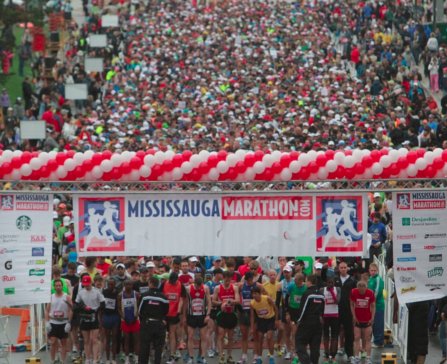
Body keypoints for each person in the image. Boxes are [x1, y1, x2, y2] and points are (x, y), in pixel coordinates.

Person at [138, 276, 170, 364]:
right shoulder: (164, 297)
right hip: (159, 324)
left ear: (150, 283)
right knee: (158, 349)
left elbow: (139, 310)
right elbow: (166, 311)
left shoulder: (144, 296)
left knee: (144, 347)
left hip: (147, 324)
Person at [75, 274, 105, 364]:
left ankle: (95, 359)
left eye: (88, 284)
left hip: (94, 315)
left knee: (94, 339)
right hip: (84, 316)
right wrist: (83, 307)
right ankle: (88, 358)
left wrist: (95, 310)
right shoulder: (81, 292)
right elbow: (76, 304)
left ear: (91, 283)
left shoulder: (97, 291)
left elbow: (103, 304)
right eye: (85, 284)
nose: (86, 285)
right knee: (86, 339)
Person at [295, 274, 324, 364]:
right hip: (317, 322)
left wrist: (299, 320)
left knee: (299, 342)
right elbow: (323, 308)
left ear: (309, 282)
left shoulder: (307, 293)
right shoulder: (321, 294)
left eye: (306, 280)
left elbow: (303, 308)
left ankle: (306, 361)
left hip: (307, 322)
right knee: (315, 346)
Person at [214, 270, 240, 364]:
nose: (227, 282)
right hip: (222, 314)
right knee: (221, 335)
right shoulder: (218, 288)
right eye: (226, 280)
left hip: (231, 314)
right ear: (223, 278)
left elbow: (238, 300)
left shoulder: (235, 288)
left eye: (229, 280)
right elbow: (213, 301)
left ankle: (229, 356)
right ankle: (221, 355)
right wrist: (221, 303)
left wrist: (230, 301)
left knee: (230, 337)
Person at [185, 275, 212, 364]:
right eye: (197, 286)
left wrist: (208, 315)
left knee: (203, 336)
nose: (198, 287)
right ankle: (191, 357)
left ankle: (202, 356)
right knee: (190, 336)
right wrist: (184, 317)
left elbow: (209, 302)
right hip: (191, 315)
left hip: (202, 315)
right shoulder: (188, 288)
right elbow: (185, 303)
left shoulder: (205, 288)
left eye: (200, 286)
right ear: (194, 283)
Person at [237, 271, 263, 364]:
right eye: (248, 280)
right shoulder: (241, 286)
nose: (250, 282)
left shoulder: (258, 286)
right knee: (244, 335)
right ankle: (244, 356)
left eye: (251, 280)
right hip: (244, 312)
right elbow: (237, 295)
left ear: (253, 278)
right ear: (245, 279)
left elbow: (265, 296)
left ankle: (256, 356)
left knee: (255, 336)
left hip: (255, 313)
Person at [46, 278, 73, 364]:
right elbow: (47, 310)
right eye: (56, 286)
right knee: (53, 342)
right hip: (53, 322)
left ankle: (62, 360)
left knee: (63, 343)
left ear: (62, 286)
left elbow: (71, 310)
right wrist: (47, 322)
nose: (58, 287)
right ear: (54, 287)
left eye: (60, 285)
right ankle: (53, 360)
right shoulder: (51, 297)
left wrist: (69, 322)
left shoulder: (67, 297)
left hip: (63, 322)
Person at [250, 286, 279, 364]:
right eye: (253, 294)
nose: (254, 295)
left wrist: (276, 320)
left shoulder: (267, 298)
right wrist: (252, 327)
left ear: (259, 294)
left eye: (256, 293)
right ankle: (259, 358)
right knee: (260, 338)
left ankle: (272, 357)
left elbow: (276, 309)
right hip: (261, 320)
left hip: (270, 319)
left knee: (269, 337)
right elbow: (252, 316)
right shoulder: (252, 303)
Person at [335, 261, 357, 361]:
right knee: (335, 332)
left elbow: (355, 297)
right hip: (336, 310)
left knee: (349, 333)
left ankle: (350, 354)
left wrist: (354, 312)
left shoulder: (352, 280)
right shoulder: (334, 280)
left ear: (347, 268)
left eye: (345, 267)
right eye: (341, 267)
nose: (343, 269)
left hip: (348, 310)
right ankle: (332, 354)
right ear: (338, 269)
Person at [163, 272, 186, 364]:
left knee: (172, 334)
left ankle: (172, 355)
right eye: (171, 280)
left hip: (174, 314)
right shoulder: (164, 284)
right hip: (164, 314)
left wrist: (180, 312)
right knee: (167, 335)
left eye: (174, 281)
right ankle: (169, 351)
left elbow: (182, 299)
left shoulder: (181, 285)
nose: (172, 282)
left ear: (177, 279)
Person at [350, 280, 375, 364]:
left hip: (367, 320)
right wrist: (354, 316)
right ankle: (357, 357)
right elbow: (351, 304)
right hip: (357, 320)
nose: (361, 292)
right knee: (356, 338)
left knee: (368, 339)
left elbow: (373, 306)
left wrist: (372, 318)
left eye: (363, 290)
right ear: (358, 288)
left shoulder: (370, 293)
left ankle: (368, 358)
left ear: (365, 288)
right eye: (360, 290)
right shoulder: (354, 292)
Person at [284, 272, 306, 363]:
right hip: (293, 311)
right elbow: (286, 299)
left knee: (302, 333)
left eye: (296, 280)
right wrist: (287, 313)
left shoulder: (305, 287)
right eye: (295, 279)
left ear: (301, 280)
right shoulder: (291, 286)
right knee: (294, 332)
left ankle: (301, 351)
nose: (294, 281)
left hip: (302, 312)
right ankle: (294, 352)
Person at [118, 279, 141, 364]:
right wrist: (123, 317)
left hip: (135, 320)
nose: (128, 286)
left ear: (132, 285)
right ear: (124, 285)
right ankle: (127, 358)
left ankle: (136, 358)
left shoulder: (137, 294)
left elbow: (139, 306)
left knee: (136, 340)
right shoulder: (120, 295)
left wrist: (136, 316)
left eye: (130, 284)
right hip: (125, 320)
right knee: (126, 340)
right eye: (126, 284)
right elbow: (119, 308)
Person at [321, 277, 341, 362]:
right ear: (326, 283)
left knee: (334, 336)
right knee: (325, 336)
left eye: (332, 283)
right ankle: (326, 353)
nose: (330, 284)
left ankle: (333, 355)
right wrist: (320, 316)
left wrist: (332, 292)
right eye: (328, 283)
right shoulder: (322, 290)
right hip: (325, 315)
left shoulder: (338, 289)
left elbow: (337, 301)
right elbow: (320, 302)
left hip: (335, 315)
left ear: (334, 283)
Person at [102, 277, 120, 364]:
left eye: (112, 284)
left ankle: (113, 358)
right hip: (106, 316)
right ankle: (108, 359)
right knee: (107, 338)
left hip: (115, 316)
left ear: (115, 284)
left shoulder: (117, 292)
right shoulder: (104, 292)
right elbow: (101, 306)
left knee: (115, 338)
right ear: (107, 284)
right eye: (109, 284)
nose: (110, 286)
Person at [367, 263, 385, 349]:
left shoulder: (378, 279)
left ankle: (379, 342)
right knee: (373, 323)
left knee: (378, 323)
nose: (373, 272)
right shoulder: (370, 279)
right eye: (371, 270)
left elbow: (377, 292)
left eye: (374, 270)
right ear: (369, 271)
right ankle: (376, 340)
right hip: (371, 305)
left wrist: (370, 301)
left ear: (377, 271)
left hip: (378, 305)